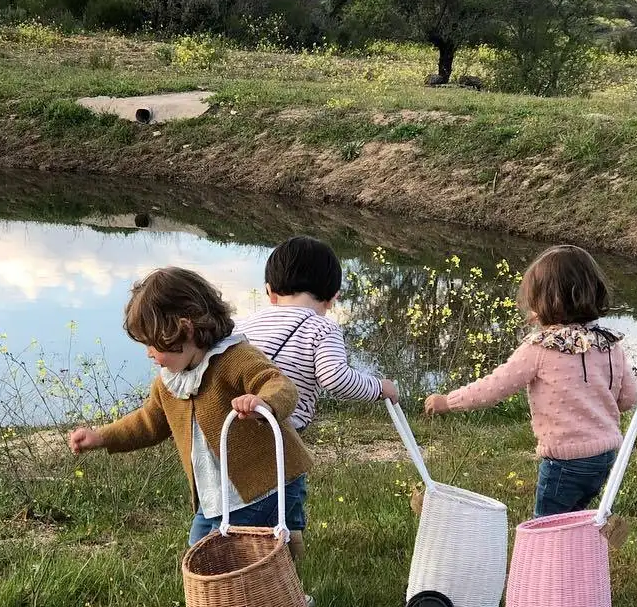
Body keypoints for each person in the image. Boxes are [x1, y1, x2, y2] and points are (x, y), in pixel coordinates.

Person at [69, 267, 312, 548]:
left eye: (152, 344)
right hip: (216, 497)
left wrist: (263, 402)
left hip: (266, 486)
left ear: (184, 329)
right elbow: (148, 422)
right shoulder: (170, 383)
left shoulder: (235, 358)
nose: (149, 353)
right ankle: (286, 558)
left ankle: (284, 564)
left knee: (231, 556)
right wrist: (101, 437)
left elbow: (279, 384)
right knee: (199, 550)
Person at [424, 245, 637, 518]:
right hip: (604, 457)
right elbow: (630, 398)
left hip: (563, 461)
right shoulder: (608, 343)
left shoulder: (541, 347)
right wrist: (595, 407)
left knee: (545, 528)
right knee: (576, 518)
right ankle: (578, 545)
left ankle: (552, 548)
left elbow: (495, 387)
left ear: (545, 302)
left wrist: (448, 402)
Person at [241, 235, 398, 550]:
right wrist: (380, 388)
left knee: (245, 500)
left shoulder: (242, 325)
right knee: (287, 507)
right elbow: (335, 378)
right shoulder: (322, 328)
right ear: (332, 298)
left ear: (269, 291)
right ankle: (288, 572)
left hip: (237, 426)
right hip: (282, 434)